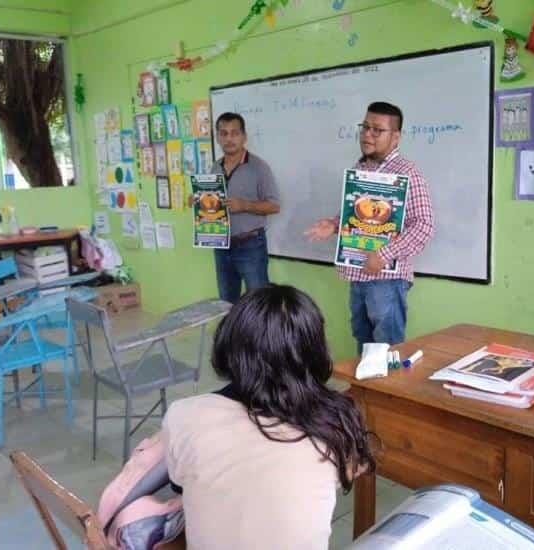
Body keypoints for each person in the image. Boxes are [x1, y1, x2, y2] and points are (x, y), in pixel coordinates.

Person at [161, 284, 375, 549]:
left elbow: (181, 488)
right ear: (315, 351)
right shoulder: (336, 422)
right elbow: (354, 469)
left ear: (228, 343)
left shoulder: (183, 414)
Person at [305, 102, 435, 351]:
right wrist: (333, 225)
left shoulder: (408, 173)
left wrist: (383, 255)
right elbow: (356, 215)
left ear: (395, 137)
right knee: (363, 344)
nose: (367, 134)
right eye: (365, 127)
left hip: (386, 278)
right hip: (357, 271)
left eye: (377, 130)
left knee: (387, 348)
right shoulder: (360, 168)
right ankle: (364, 390)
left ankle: (386, 391)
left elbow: (424, 226)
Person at [190, 112, 280, 304]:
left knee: (258, 304)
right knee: (226, 303)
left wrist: (245, 205)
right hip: (221, 244)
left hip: (250, 245)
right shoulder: (215, 167)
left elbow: (274, 205)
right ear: (217, 137)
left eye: (234, 133)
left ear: (244, 136)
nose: (229, 139)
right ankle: (231, 335)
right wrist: (198, 200)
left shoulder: (258, 167)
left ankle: (259, 336)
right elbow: (213, 203)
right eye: (223, 133)